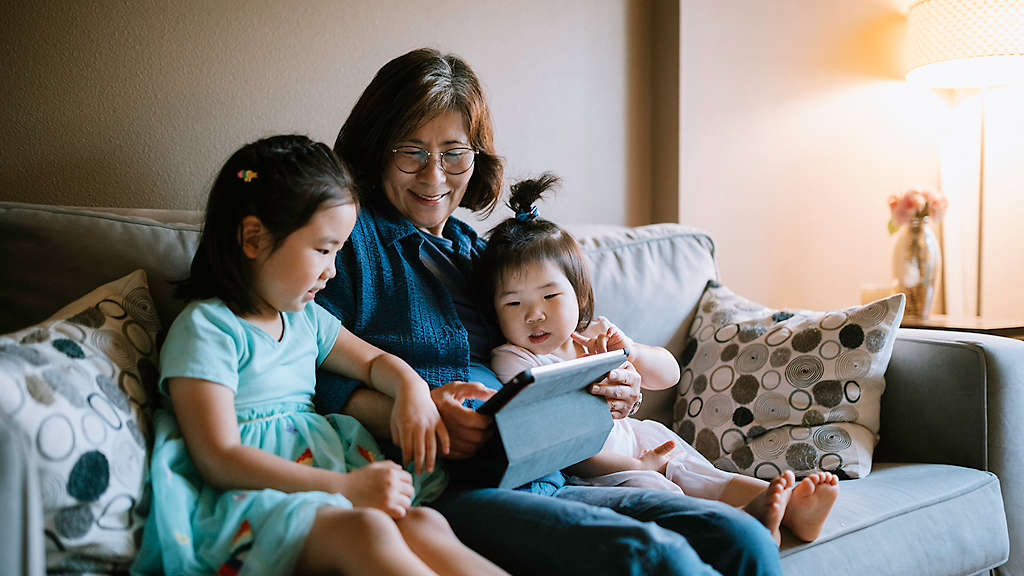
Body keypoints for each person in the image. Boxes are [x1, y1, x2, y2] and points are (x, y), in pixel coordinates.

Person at [316, 47, 782, 575]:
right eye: (411, 151)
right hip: (448, 487)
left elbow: (548, 359)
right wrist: (421, 413)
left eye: (453, 153)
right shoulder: (347, 242)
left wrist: (611, 387)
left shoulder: (484, 255)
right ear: (377, 148)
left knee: (742, 538)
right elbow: (307, 367)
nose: (434, 176)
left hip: (556, 475)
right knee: (655, 559)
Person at [132, 135, 508, 576]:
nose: (332, 271)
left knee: (425, 522)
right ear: (254, 238)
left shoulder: (304, 319)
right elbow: (219, 456)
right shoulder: (208, 330)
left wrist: (411, 390)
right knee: (368, 531)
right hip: (248, 500)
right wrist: (346, 487)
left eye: (338, 252)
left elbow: (372, 363)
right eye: (323, 250)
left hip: (322, 491)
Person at [478, 174, 840, 546]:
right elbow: (558, 443)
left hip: (633, 437)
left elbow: (668, 374)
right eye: (514, 303)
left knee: (697, 469)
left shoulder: (598, 334)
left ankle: (784, 506)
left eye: (550, 296)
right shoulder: (513, 361)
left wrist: (632, 351)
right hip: (591, 469)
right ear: (494, 310)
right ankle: (734, 526)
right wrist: (633, 466)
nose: (534, 314)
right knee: (653, 486)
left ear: (580, 296)